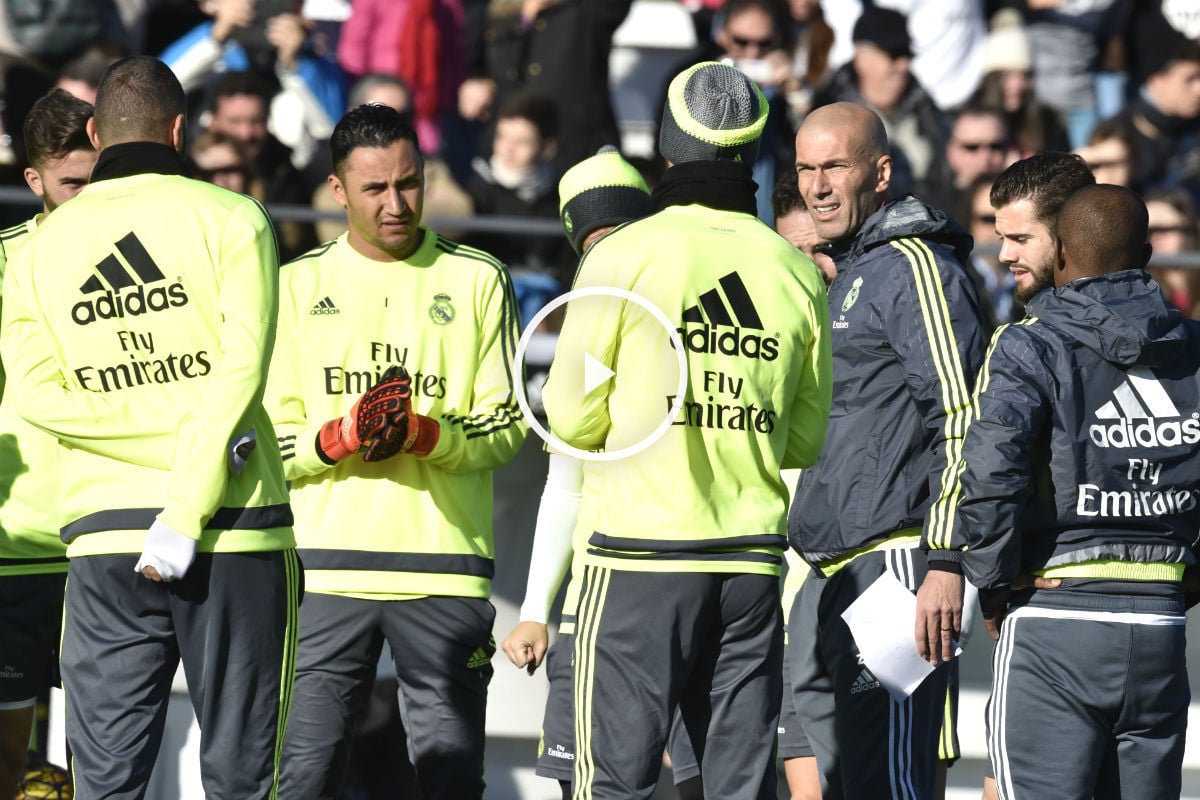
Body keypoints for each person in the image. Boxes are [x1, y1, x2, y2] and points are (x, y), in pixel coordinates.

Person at [0, 55, 299, 800]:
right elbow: (240, 374)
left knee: (103, 783)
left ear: (96, 133)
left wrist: (139, 431)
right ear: (179, 128)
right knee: (242, 777)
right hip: (234, 525)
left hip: (102, 533)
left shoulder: (39, 249)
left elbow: (38, 398)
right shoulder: (232, 216)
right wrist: (186, 466)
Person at [542, 60, 833, 800]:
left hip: (639, 555)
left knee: (616, 781)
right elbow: (803, 440)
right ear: (751, 148)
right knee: (737, 786)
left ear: (668, 148)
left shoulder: (621, 253)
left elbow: (572, 418)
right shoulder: (793, 268)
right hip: (749, 562)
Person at [266, 102, 527, 800]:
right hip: (323, 573)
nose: (396, 203)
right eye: (375, 188)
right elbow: (266, 445)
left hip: (444, 572)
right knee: (303, 778)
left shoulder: (478, 278)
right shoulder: (295, 285)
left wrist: (423, 434)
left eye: (408, 183)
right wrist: (339, 439)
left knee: (448, 782)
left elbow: (507, 427)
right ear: (337, 190)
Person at [951, 183, 1199, 799]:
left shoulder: (1029, 342)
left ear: (1061, 252)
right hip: (1163, 630)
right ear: (1145, 254)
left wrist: (991, 580)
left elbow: (990, 474)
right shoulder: (1193, 348)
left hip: (1054, 619)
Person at [787, 101, 987, 799]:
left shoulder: (913, 264)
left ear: (880, 172)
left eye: (834, 166)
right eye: (806, 169)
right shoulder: (858, 270)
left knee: (892, 787)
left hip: (898, 566)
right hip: (833, 572)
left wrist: (943, 558)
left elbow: (963, 414)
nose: (817, 187)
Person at [501, 145, 707, 800]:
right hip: (601, 599)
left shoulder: (685, 322)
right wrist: (535, 611)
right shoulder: (588, 324)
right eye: (597, 244)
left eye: (622, 238)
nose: (611, 256)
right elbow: (566, 482)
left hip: (671, 586)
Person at [0, 87, 96, 800]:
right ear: (34, 181)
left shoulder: (150, 256)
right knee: (8, 765)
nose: (90, 199)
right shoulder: (4, 261)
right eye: (73, 185)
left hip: (111, 532)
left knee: (102, 764)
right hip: (20, 541)